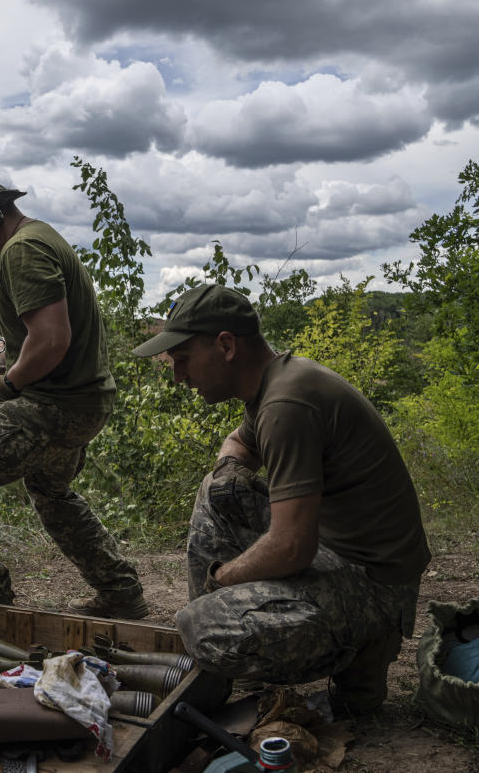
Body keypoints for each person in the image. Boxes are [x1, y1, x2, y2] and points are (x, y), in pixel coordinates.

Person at [132, 284, 431, 713]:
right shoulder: (277, 382)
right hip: (340, 551)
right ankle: (214, 664)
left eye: (182, 360)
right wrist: (229, 470)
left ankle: (360, 655)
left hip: (376, 586)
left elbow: (292, 547)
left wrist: (223, 580)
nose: (178, 376)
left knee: (201, 628)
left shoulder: (286, 404)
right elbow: (237, 442)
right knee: (216, 490)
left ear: (226, 345)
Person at [0, 174, 146, 618]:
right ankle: (120, 592)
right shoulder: (40, 236)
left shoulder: (20, 251)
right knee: (50, 489)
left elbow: (49, 342)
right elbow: (30, 336)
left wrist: (5, 386)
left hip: (56, 405)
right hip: (83, 401)